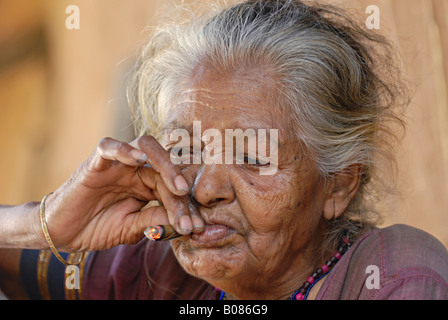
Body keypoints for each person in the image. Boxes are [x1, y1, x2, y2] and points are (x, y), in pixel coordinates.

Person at [1, 0, 447, 300]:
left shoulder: (396, 276)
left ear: (340, 184)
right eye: (184, 148)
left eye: (253, 156)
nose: (205, 187)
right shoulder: (159, 269)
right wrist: (44, 224)